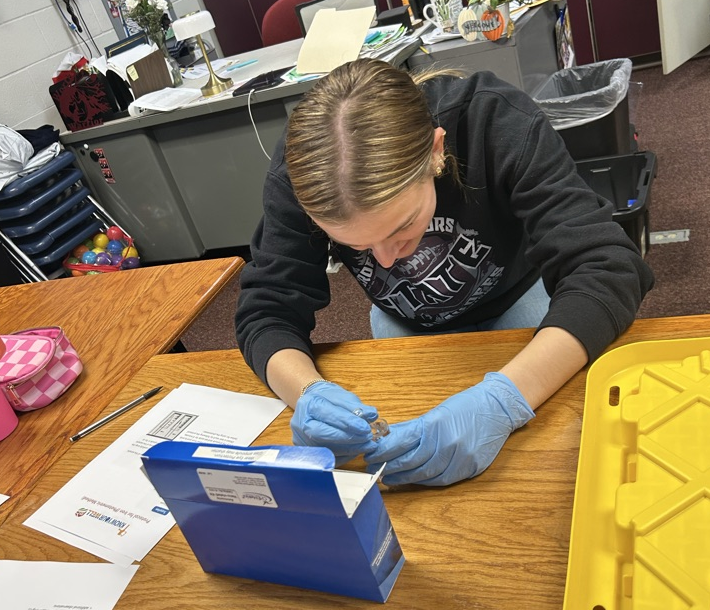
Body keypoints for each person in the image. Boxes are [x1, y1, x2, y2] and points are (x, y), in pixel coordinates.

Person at [236, 59, 653, 486]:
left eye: (401, 228)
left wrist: (504, 400)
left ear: (437, 153)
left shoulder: (494, 120)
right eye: (357, 245)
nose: (384, 261)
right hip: (405, 318)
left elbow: (608, 267)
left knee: (549, 453)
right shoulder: (302, 176)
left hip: (519, 297)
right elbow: (267, 310)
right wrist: (306, 391)